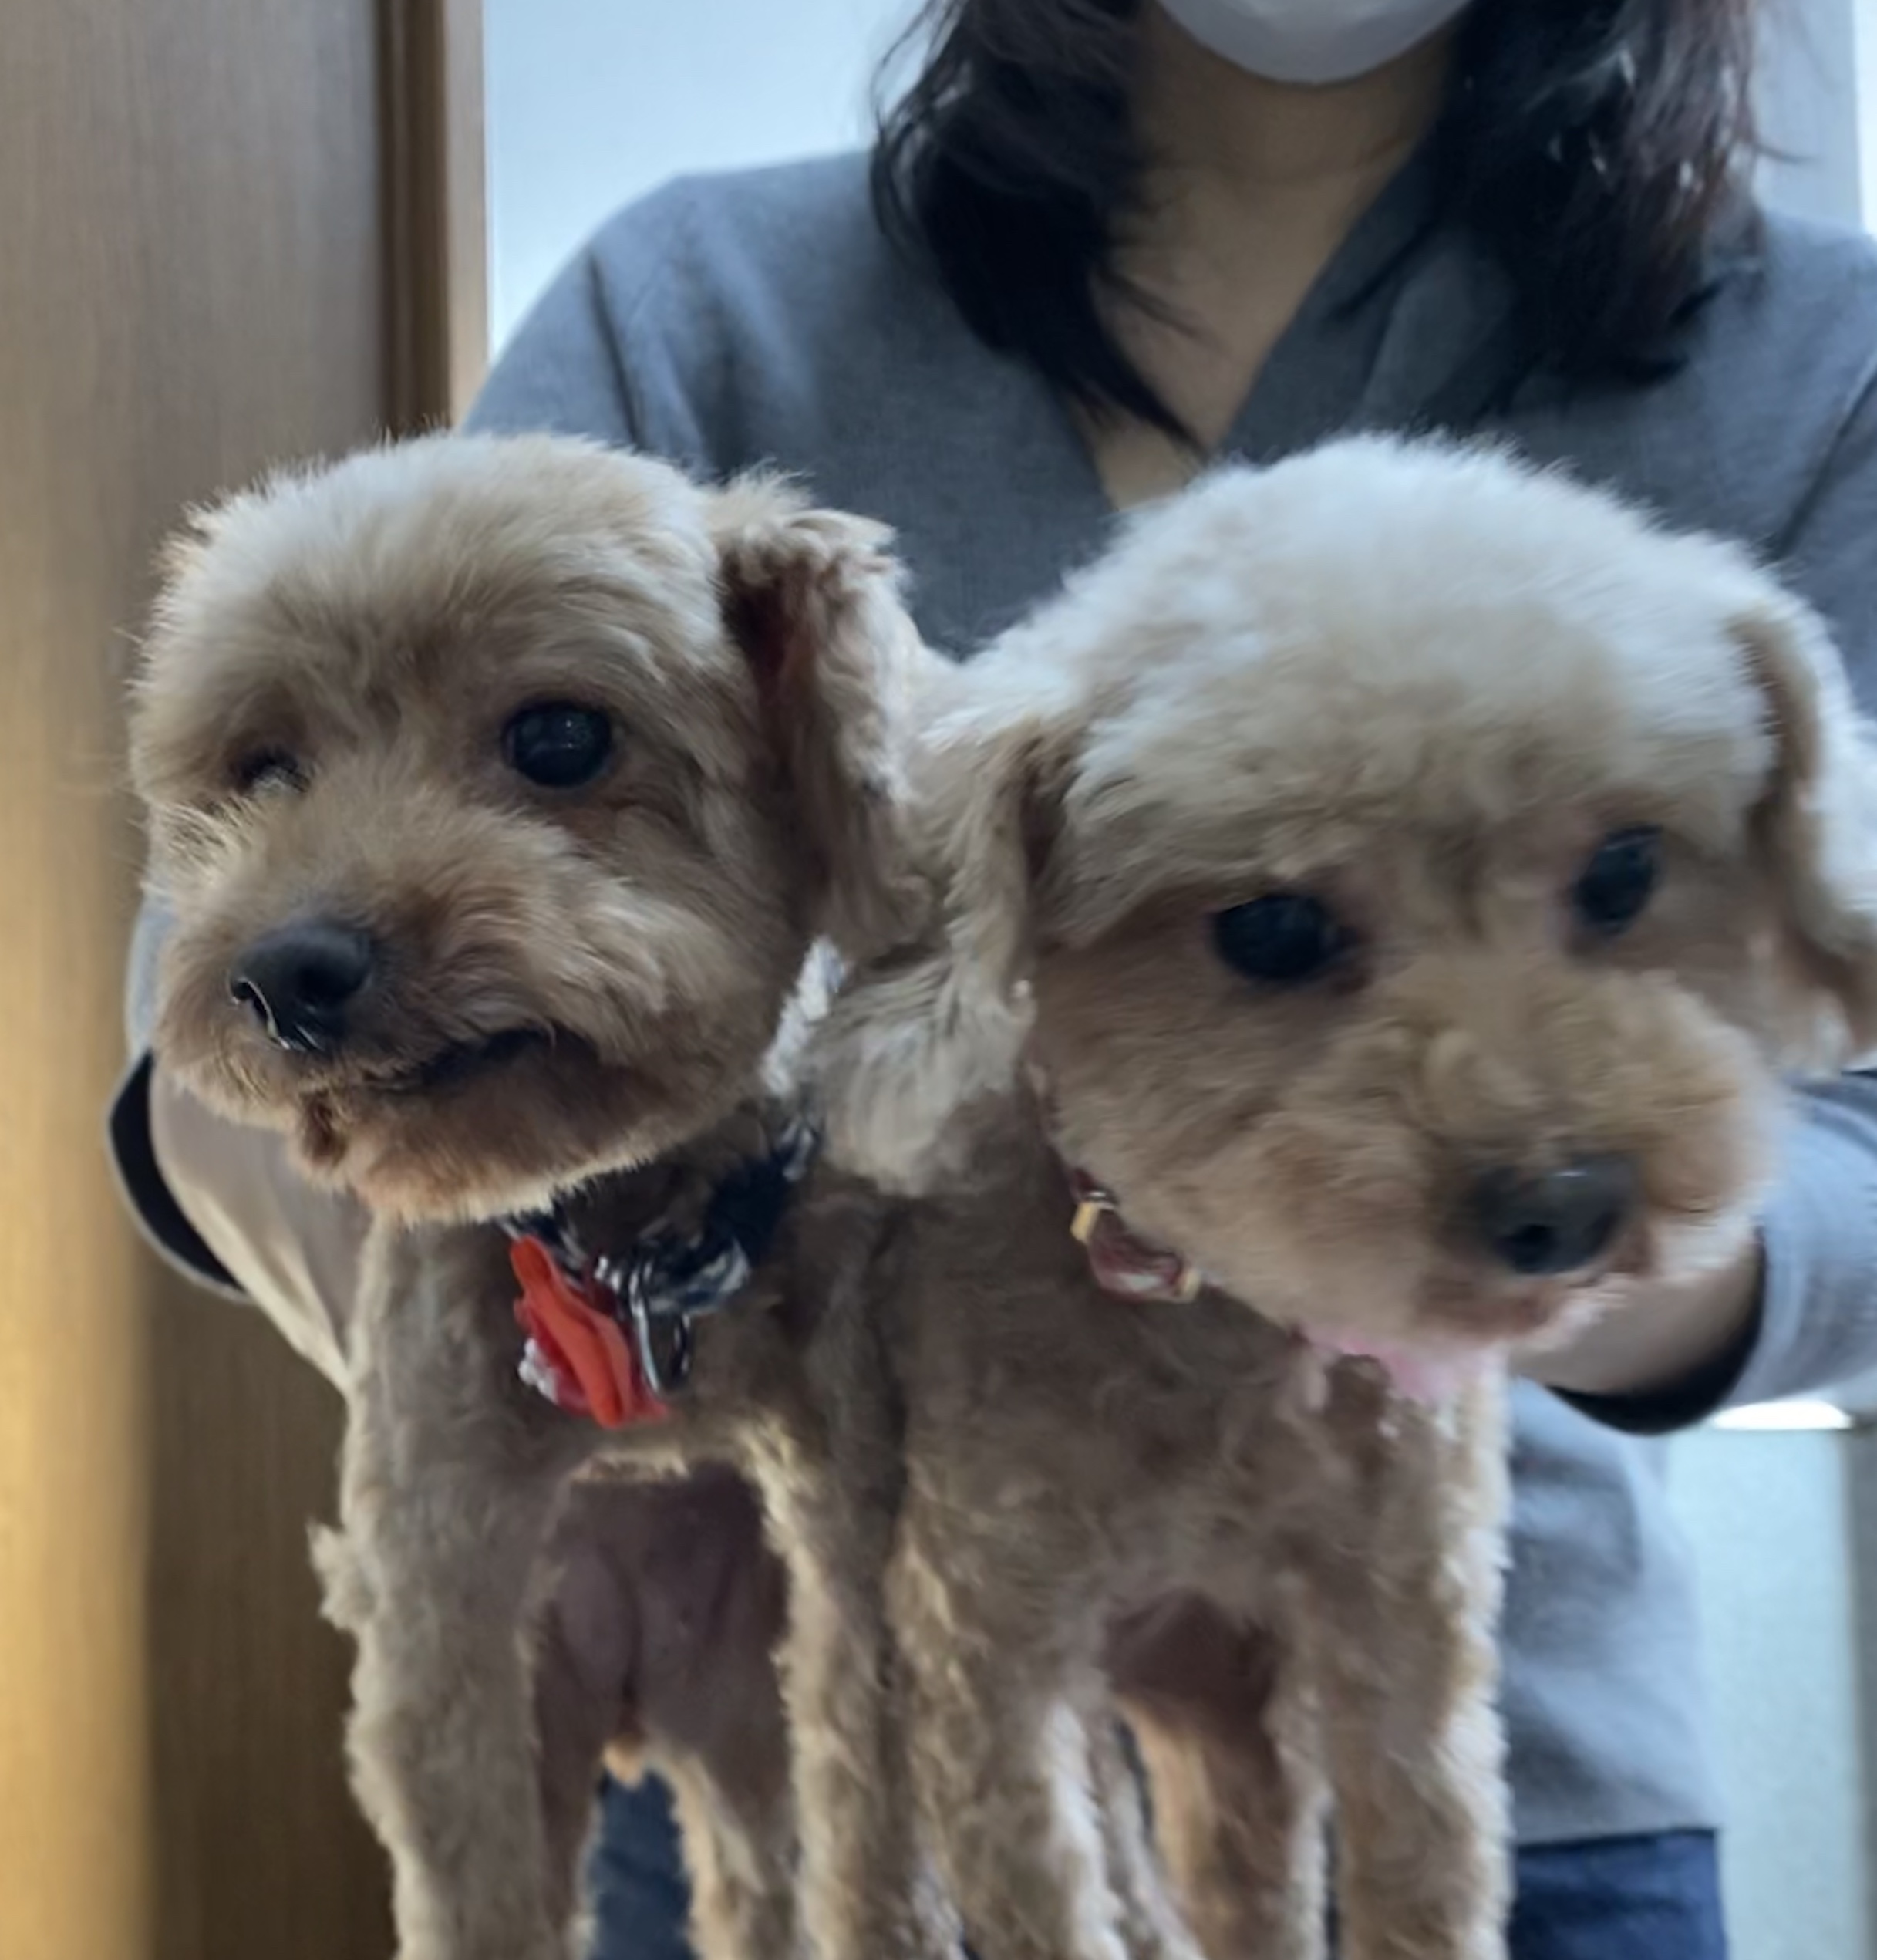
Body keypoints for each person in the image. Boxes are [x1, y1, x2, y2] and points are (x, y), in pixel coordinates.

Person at [110, 1, 1877, 1955]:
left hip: (1513, 1766)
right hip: (779, 1723)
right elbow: (227, 1014)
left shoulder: (1820, 358)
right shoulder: (699, 299)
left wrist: (1517, 1221)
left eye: (1607, 881)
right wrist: (634, 1355)